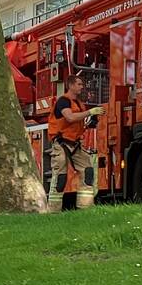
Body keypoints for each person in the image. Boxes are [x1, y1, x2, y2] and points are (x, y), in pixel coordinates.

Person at [47, 75, 105, 212]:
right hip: (61, 143)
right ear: (71, 85)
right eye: (79, 84)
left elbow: (78, 121)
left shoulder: (78, 103)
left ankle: (85, 208)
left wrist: (91, 118)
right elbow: (70, 117)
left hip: (75, 143)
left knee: (88, 171)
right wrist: (90, 112)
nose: (81, 86)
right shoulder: (63, 101)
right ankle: (53, 211)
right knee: (60, 177)